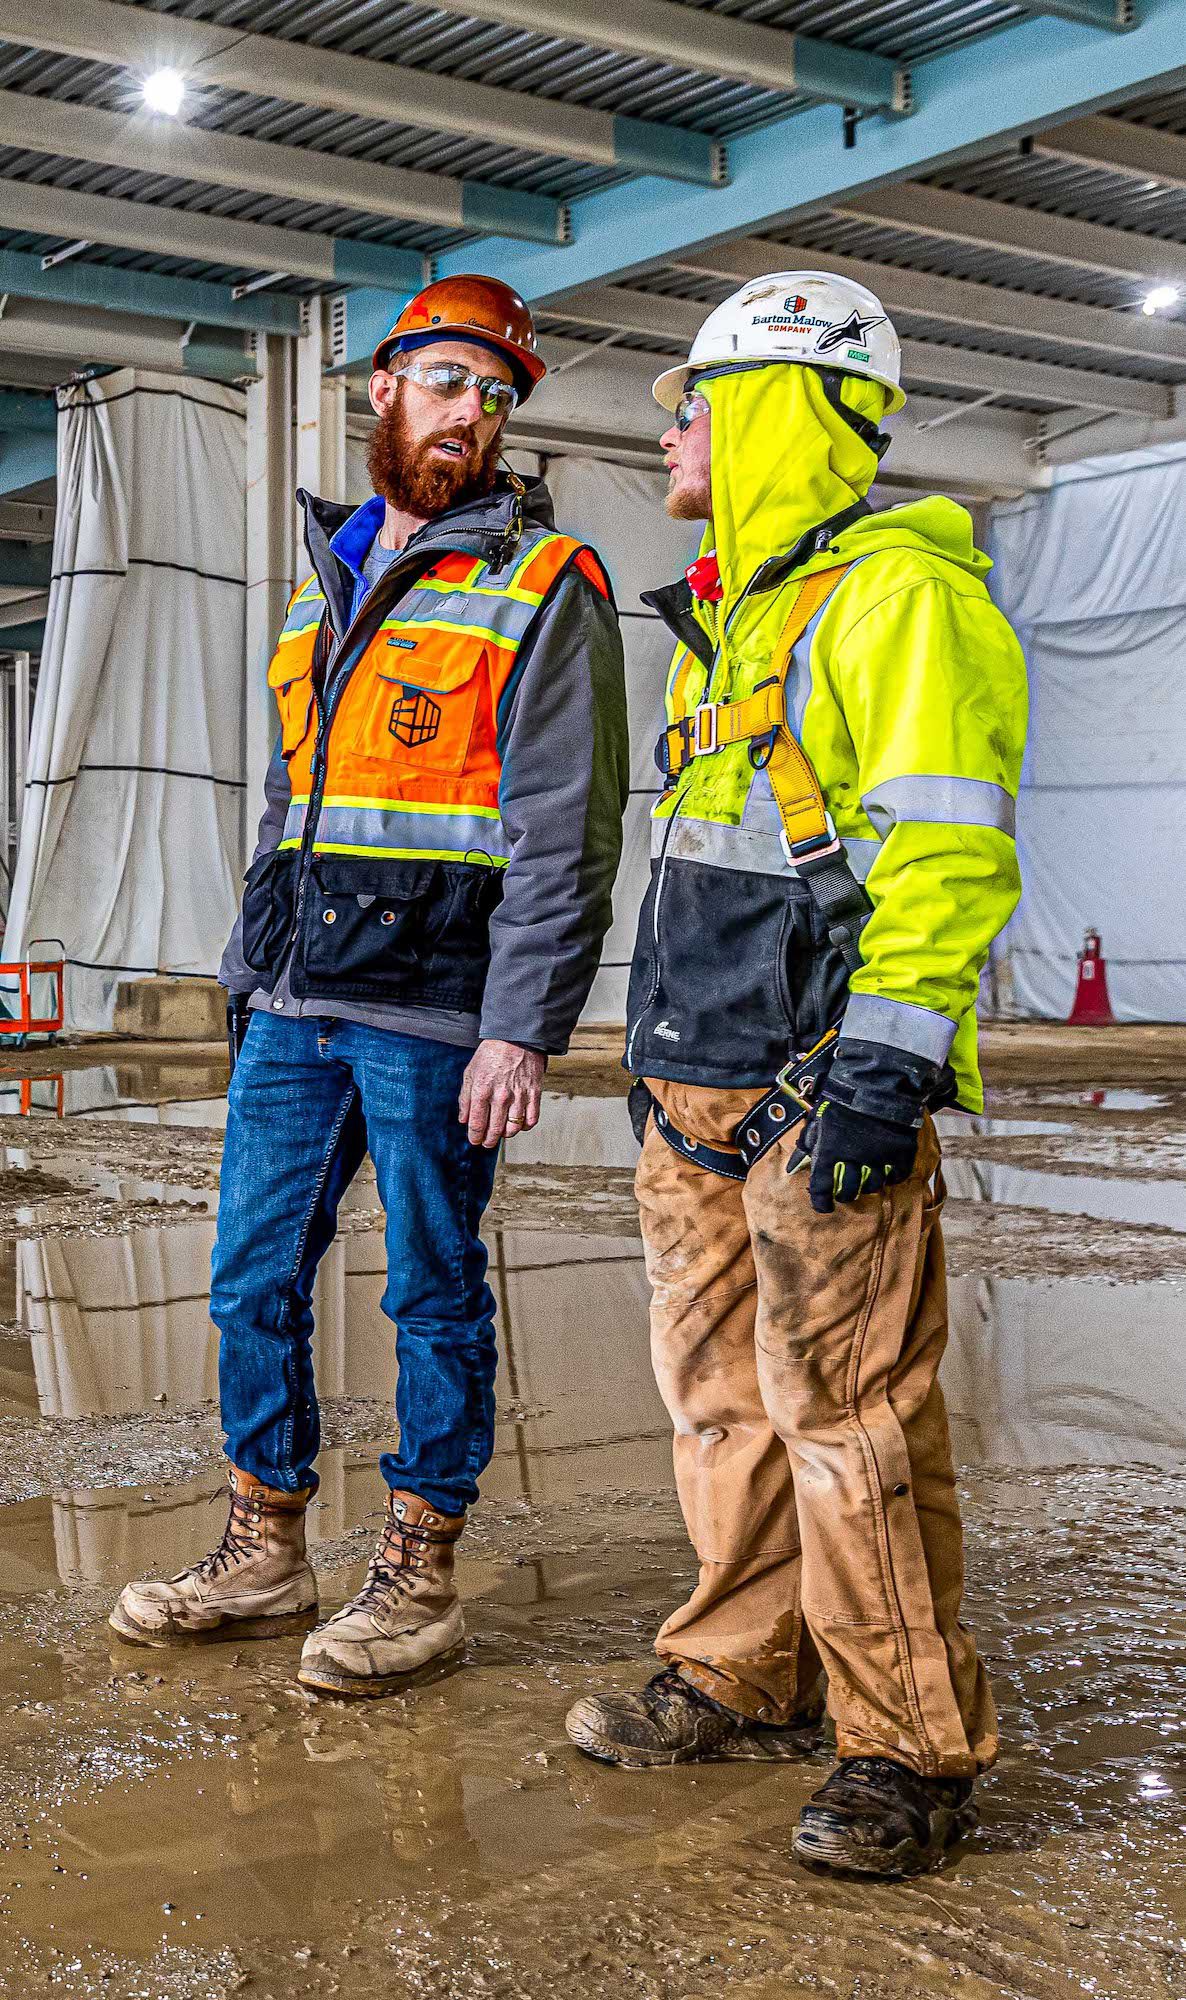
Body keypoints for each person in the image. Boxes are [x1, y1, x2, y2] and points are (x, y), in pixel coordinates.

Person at [565, 271, 1027, 1878]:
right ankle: (741, 1661)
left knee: (850, 1427)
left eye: (695, 397)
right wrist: (652, 1063)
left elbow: (949, 862)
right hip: (693, 1084)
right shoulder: (727, 623)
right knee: (718, 1412)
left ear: (771, 409)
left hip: (824, 1089)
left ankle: (905, 1749)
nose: (674, 427)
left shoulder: (900, 601)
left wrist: (885, 1075)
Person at [111, 275, 629, 1696]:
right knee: (246, 1281)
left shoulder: (540, 584)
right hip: (292, 999)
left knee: (433, 1291)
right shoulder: (316, 586)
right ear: (384, 392)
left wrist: (519, 1028)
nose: (473, 412)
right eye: (450, 381)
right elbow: (292, 808)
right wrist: (243, 973)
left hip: (431, 1012)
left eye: (497, 393)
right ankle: (263, 1543)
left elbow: (565, 831)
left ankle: (417, 1571)